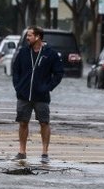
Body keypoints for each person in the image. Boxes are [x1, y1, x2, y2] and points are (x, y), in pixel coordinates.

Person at [11, 26, 64, 163]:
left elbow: (58, 73)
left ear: (38, 36)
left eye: (29, 35)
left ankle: (45, 153)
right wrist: (18, 87)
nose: (27, 38)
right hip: (23, 95)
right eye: (27, 36)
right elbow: (15, 71)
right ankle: (22, 152)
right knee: (23, 122)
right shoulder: (23, 52)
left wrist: (48, 87)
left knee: (44, 123)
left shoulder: (50, 54)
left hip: (42, 96)